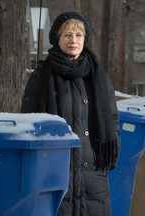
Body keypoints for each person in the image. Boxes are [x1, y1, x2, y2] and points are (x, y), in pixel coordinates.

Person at [20, 11, 121, 216]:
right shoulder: (42, 77)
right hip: (54, 171)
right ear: (57, 39)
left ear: (85, 39)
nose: (73, 40)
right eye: (67, 35)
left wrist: (111, 147)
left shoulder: (98, 76)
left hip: (92, 175)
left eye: (78, 35)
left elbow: (111, 118)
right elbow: (28, 122)